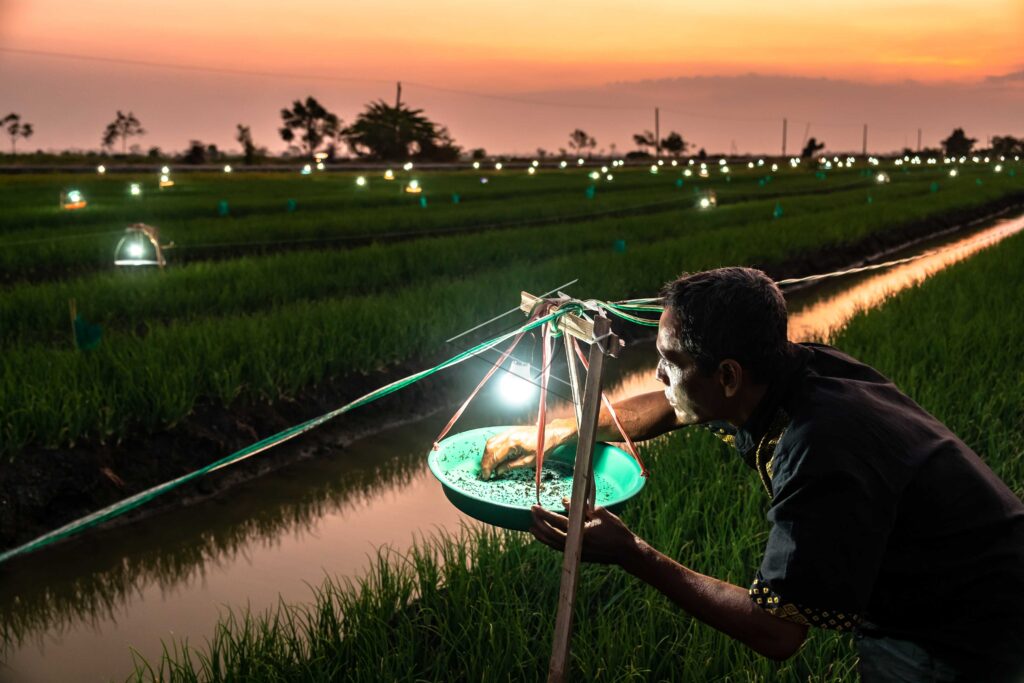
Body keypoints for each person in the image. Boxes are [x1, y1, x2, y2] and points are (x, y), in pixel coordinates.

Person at [479, 267, 1024, 682]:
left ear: (729, 375)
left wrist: (632, 553)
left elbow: (778, 631)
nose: (658, 371)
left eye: (669, 358)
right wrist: (557, 430)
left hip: (967, 628)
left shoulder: (819, 447)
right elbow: (673, 404)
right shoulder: (792, 369)